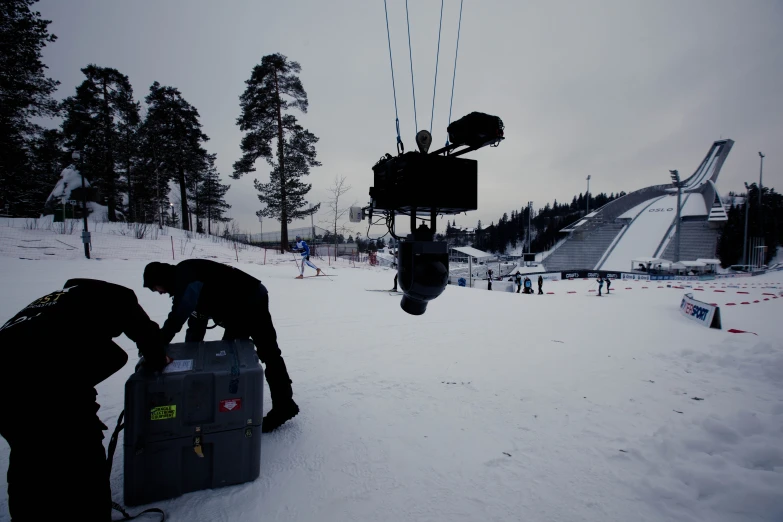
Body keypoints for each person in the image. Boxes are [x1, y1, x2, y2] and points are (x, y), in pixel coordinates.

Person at [0, 278, 168, 521]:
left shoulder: (60, 300)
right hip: (43, 374)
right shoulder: (116, 297)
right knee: (82, 449)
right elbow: (145, 331)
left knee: (28, 453)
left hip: (8, 379)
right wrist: (158, 359)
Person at [143, 260, 299, 433]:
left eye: (155, 288)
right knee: (232, 357)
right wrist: (190, 360)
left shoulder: (185, 277)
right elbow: (196, 324)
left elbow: (178, 316)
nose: (160, 293)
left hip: (250, 299)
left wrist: (157, 343)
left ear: (160, 280)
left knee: (258, 353)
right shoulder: (187, 278)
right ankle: (232, 404)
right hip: (241, 303)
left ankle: (281, 405)